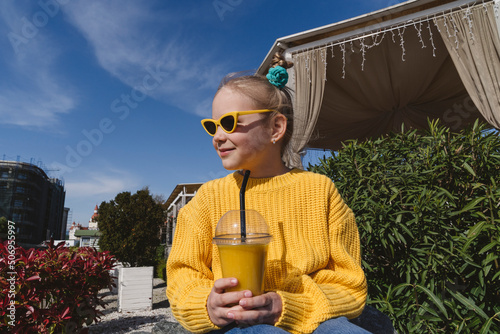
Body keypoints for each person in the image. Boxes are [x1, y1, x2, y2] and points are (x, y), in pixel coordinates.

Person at [166, 53, 368, 334]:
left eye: (229, 122)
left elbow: (350, 284)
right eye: (212, 126)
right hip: (235, 323)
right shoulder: (207, 199)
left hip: (316, 317)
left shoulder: (321, 191)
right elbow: (181, 274)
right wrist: (207, 304)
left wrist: (288, 307)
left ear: (276, 127)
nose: (217, 137)